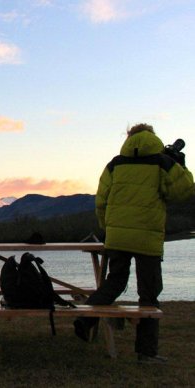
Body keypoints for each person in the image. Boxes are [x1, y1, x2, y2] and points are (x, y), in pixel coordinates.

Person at [73, 123, 195, 364]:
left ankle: (85, 318)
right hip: (147, 238)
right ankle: (146, 352)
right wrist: (179, 164)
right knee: (148, 294)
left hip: (117, 236)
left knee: (114, 281)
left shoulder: (115, 164)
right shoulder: (161, 162)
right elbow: (184, 191)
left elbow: (101, 200)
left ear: (129, 138)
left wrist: (108, 228)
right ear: (153, 137)